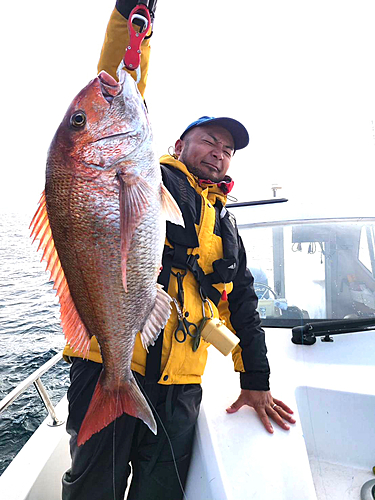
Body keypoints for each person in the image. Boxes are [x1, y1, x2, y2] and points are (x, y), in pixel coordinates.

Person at [61, 2, 295, 499]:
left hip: (180, 384)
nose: (218, 151)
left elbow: (243, 303)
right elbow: (119, 83)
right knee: (92, 489)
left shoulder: (225, 225)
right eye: (208, 140)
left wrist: (255, 377)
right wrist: (131, 20)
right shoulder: (149, 174)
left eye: (226, 149)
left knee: (160, 492)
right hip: (110, 358)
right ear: (176, 142)